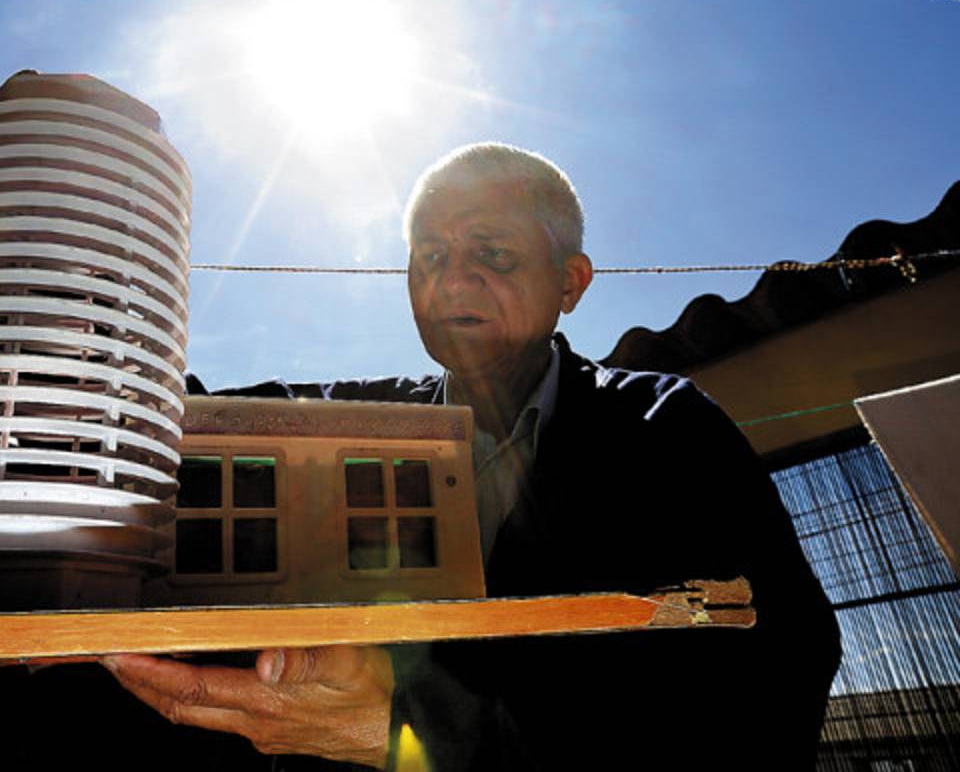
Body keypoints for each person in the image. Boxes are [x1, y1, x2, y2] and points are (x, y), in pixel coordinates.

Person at [101, 143, 843, 770]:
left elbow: (777, 671)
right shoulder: (362, 426)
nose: (452, 280)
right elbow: (186, 420)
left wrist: (411, 732)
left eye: (491, 254)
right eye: (430, 256)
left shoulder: (662, 428)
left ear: (570, 282)